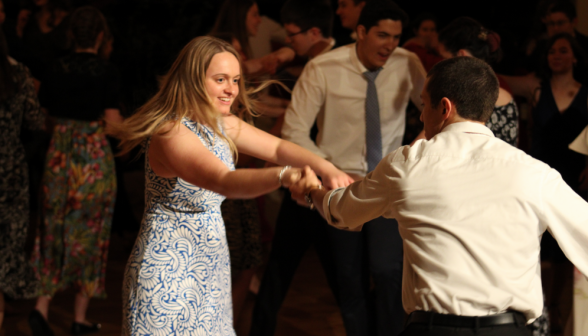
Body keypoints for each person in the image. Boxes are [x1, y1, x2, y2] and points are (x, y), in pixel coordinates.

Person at [292, 56, 588, 336]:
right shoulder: (534, 174)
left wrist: (312, 192)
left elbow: (341, 211)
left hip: (432, 329)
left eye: (423, 105)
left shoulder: (407, 164)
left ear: (444, 108)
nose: (421, 115)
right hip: (508, 330)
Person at [113, 35, 352, 336]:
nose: (231, 90)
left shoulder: (220, 123)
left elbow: (278, 149)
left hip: (210, 264)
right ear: (193, 80)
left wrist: (327, 168)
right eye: (221, 79)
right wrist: (285, 176)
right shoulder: (170, 132)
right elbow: (224, 181)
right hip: (168, 271)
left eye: (236, 80)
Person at [252, 2, 426, 336]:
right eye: (382, 35)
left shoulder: (408, 63)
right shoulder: (323, 67)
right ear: (361, 32)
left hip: (387, 184)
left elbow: (436, 113)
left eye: (396, 37)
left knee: (389, 272)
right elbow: (295, 131)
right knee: (349, 280)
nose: (390, 45)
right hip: (339, 185)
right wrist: (330, 171)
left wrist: (412, 155)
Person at [29, 7, 122, 336]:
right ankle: (79, 319)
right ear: (100, 36)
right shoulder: (107, 72)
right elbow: (113, 124)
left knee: (51, 230)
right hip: (92, 161)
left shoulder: (55, 68)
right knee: (91, 234)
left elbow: (42, 118)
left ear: (71, 35)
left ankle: (41, 308)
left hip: (59, 158)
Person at [0, 25, 44, 329]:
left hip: (11, 167)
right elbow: (35, 119)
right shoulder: (18, 73)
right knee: (8, 241)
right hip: (10, 167)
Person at [437, 17, 519, 147]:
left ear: (461, 56)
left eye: (444, 59)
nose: (440, 65)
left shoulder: (459, 99)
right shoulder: (507, 96)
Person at [210, 0, 294, 76]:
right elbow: (246, 69)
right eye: (255, 15)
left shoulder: (241, 43)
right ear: (240, 16)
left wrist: (277, 58)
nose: (260, 20)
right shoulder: (221, 45)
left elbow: (249, 68)